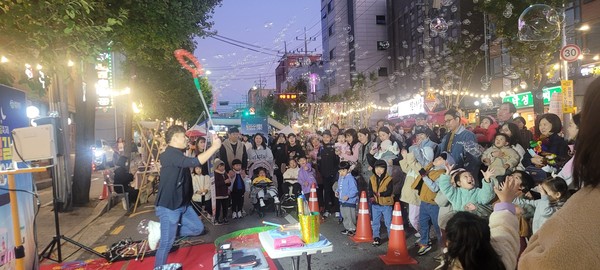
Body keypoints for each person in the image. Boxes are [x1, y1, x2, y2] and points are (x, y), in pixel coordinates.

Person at [519, 77, 600, 269]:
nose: (542, 126)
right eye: (541, 123)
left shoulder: (586, 209)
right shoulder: (536, 142)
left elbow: (535, 263)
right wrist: (531, 160)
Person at [152, 126, 221, 268]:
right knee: (166, 243)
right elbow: (193, 162)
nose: (186, 139)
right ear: (175, 138)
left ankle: (160, 230)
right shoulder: (169, 154)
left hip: (183, 204)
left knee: (198, 229)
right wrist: (214, 147)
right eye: (183, 136)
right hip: (169, 205)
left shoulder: (178, 153)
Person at [436, 176, 521, 270]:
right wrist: (506, 202)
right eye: (465, 176)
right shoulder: (503, 258)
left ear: (448, 243)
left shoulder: (448, 265)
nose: (469, 178)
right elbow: (504, 230)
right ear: (488, 236)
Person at [412, 153, 452, 256]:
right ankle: (424, 243)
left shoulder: (442, 173)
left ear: (445, 163)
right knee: (423, 223)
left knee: (438, 227)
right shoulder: (431, 169)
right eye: (437, 157)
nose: (436, 159)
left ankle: (443, 249)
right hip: (424, 202)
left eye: (440, 159)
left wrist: (425, 177)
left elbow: (435, 188)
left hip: (434, 204)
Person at [438, 109, 482, 181]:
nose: (447, 124)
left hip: (462, 175)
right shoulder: (446, 136)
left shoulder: (468, 135)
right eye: (445, 121)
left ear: (457, 119)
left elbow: (474, 158)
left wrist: (466, 175)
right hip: (448, 172)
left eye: (449, 120)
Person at [369, 159, 394, 247]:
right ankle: (376, 238)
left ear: (385, 169)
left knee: (388, 222)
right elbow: (370, 189)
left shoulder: (389, 179)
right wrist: (371, 197)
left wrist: (381, 194)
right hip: (375, 204)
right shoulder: (372, 178)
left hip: (386, 204)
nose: (378, 170)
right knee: (375, 222)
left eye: (381, 168)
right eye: (376, 168)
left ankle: (392, 238)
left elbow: (390, 191)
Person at [318, 130, 340, 218]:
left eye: (327, 137)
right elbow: (319, 161)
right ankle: (327, 209)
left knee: (335, 191)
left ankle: (337, 209)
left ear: (330, 137)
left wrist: (335, 171)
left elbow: (337, 160)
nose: (325, 139)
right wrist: (321, 171)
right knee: (326, 192)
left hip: (334, 173)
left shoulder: (334, 147)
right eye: (324, 137)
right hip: (324, 174)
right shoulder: (321, 148)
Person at [335, 161, 359, 236]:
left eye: (343, 170)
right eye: (340, 171)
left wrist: (348, 196)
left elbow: (354, 190)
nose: (341, 172)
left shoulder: (351, 178)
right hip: (342, 200)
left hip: (350, 201)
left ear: (348, 170)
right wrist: (337, 191)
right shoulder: (341, 178)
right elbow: (339, 187)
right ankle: (347, 228)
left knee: (350, 215)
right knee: (344, 215)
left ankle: (352, 229)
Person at [213, 158, 231, 225]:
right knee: (218, 208)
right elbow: (216, 184)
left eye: (223, 166)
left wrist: (228, 182)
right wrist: (224, 182)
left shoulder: (225, 173)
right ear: (217, 167)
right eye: (220, 166)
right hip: (218, 194)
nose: (222, 167)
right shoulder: (215, 174)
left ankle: (225, 217)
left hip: (225, 193)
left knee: (225, 207)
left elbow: (228, 183)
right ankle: (216, 219)